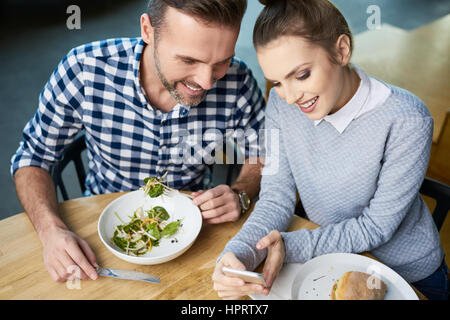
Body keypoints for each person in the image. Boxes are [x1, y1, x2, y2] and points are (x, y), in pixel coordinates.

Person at [10, 0, 266, 283]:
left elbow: (265, 154)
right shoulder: (85, 70)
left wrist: (241, 192)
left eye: (221, 62)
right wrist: (50, 230)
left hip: (193, 234)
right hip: (98, 236)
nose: (206, 82)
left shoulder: (238, 81)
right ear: (148, 30)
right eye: (189, 60)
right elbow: (33, 157)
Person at [212, 0, 448, 300]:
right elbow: (275, 197)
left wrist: (290, 245)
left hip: (408, 274)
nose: (290, 96)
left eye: (301, 75)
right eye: (277, 82)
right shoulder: (280, 106)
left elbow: (377, 227)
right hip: (330, 262)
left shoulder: (408, 118)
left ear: (341, 50)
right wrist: (238, 255)